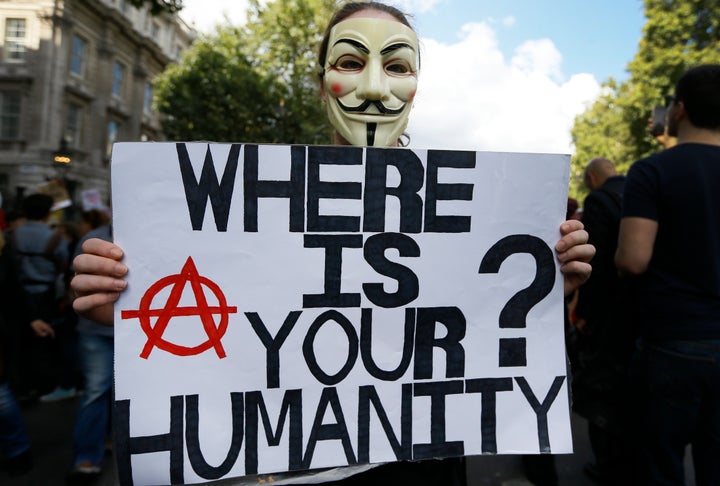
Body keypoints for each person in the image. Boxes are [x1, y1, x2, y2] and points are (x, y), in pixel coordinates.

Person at [70, 2, 594, 484]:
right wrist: (123, 297)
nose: (373, 88)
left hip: (420, 463)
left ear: (416, 87)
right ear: (322, 84)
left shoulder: (477, 215)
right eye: (349, 62)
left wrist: (551, 286)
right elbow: (212, 330)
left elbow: (484, 326)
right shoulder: (254, 206)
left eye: (396, 67)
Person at [615, 64, 720, 485]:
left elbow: (633, 260)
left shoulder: (652, 171)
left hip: (674, 341)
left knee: (660, 462)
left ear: (678, 109)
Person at [572, 157, 632, 484]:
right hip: (639, 312)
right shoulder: (637, 189)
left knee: (600, 390)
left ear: (593, 177)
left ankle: (608, 465)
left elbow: (592, 263)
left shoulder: (599, 200)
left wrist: (584, 314)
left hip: (608, 314)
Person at [66, 211, 113, 482]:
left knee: (128, 393)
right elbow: (71, 281)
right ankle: (87, 456)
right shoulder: (91, 240)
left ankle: (112, 439)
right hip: (96, 332)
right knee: (96, 391)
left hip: (142, 335)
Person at [8, 194, 69, 400]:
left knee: (20, 338)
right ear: (48, 211)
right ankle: (44, 384)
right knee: (47, 339)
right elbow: (63, 263)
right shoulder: (54, 238)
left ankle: (23, 384)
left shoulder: (13, 235)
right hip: (46, 294)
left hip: (18, 293)